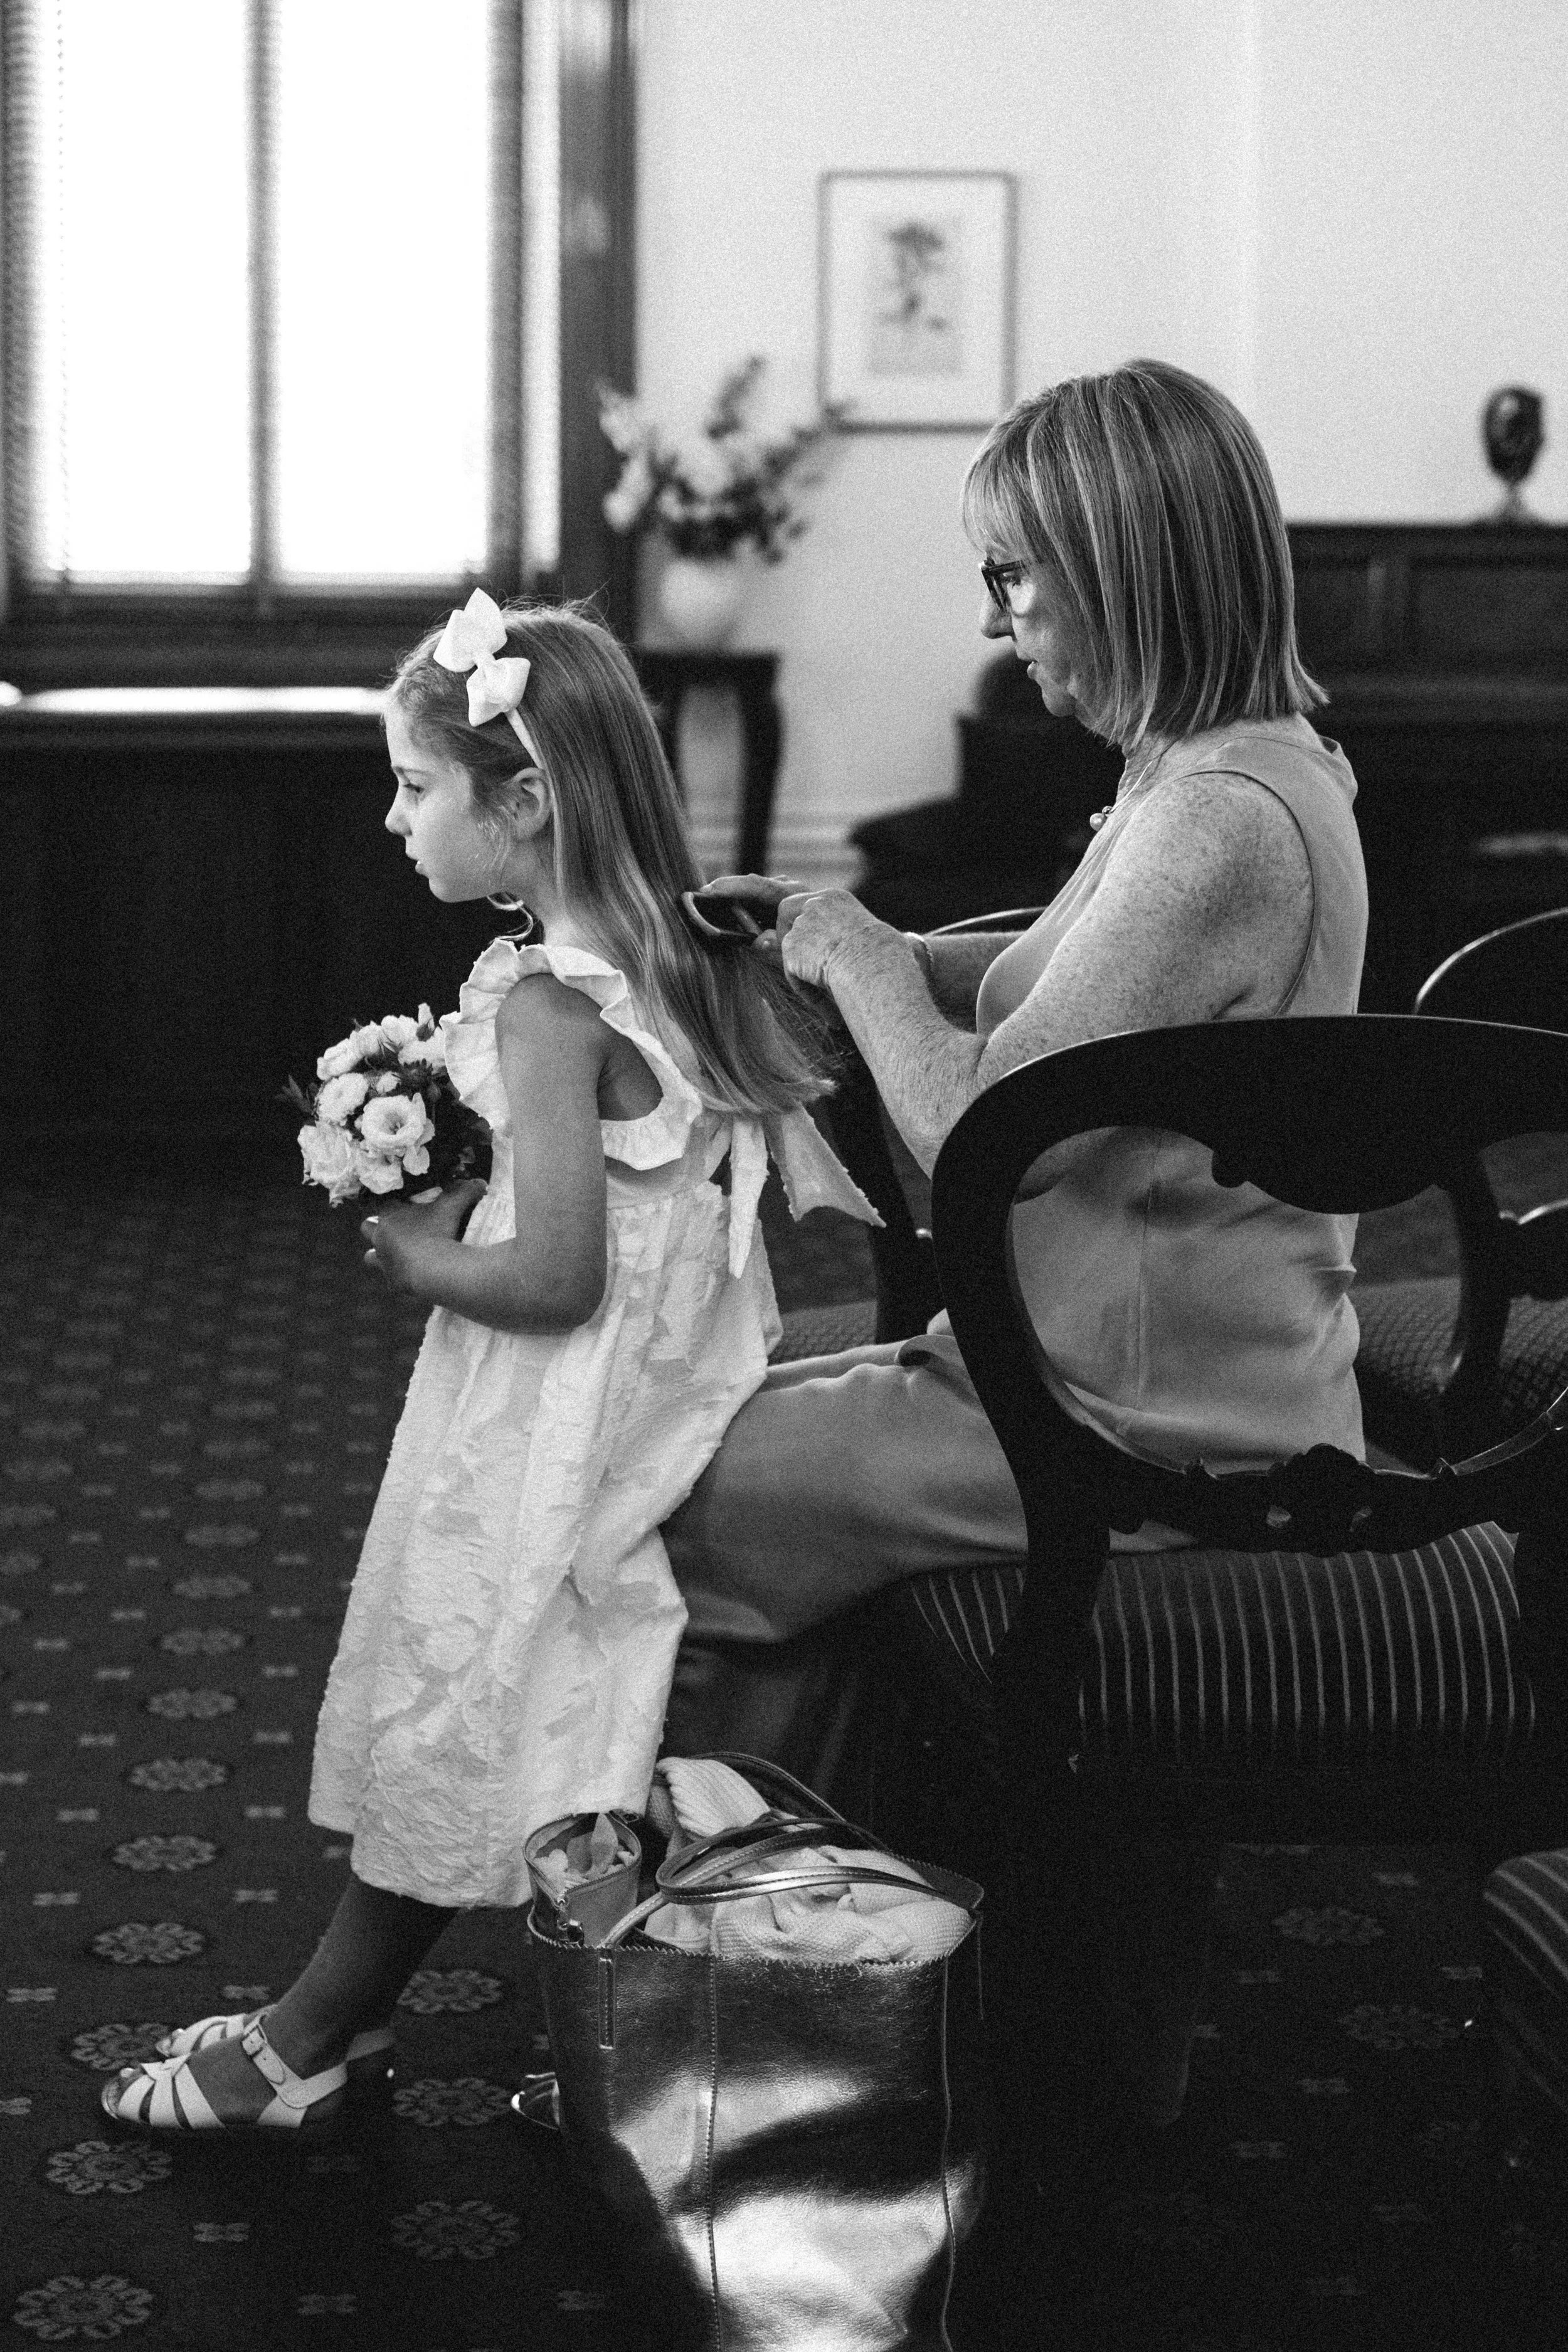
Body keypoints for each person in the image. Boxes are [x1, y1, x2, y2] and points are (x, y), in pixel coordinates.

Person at [661, 357, 1369, 2125]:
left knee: (658, 1489)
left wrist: (859, 954)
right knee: (701, 1443)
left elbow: (981, 1130)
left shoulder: (1214, 819)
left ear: (1120, 568)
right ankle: (811, 1988)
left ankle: (764, 2008)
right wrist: (871, 947)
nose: (993, 617)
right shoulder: (1220, 770)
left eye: (1011, 574)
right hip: (1117, 1354)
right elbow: (1070, 991)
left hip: (1135, 1413)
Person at [100, 591, 871, 2135]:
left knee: (476, 1695)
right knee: (540, 1714)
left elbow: (556, 1276)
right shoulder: (669, 957)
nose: (394, 820)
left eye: (415, 786)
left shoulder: (543, 1005)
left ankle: (326, 2039)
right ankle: (599, 2042)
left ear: (522, 802)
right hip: (657, 1398)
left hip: (558, 1428)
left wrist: (422, 1257)